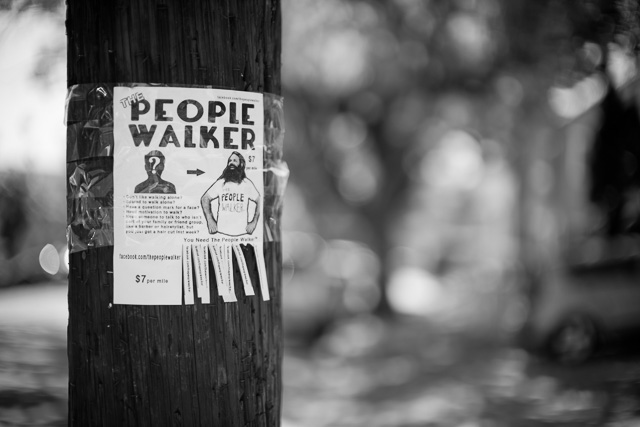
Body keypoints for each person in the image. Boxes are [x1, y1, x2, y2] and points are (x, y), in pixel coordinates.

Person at [201, 151, 261, 236]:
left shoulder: (247, 183)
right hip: (221, 233)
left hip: (242, 234)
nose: (231, 163)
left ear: (241, 164)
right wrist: (210, 219)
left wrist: (254, 222)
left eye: (234, 161)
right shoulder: (221, 183)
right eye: (229, 161)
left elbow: (260, 200)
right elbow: (205, 198)